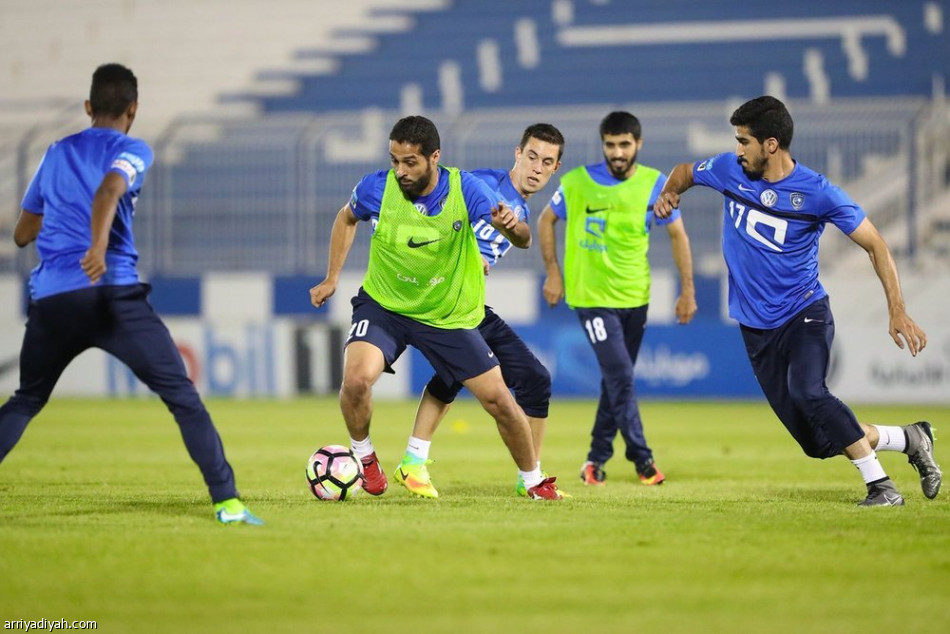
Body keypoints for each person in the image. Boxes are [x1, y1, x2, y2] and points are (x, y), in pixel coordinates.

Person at [0, 64, 262, 525]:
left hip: (53, 299)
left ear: (88, 107)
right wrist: (98, 245)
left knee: (25, 400)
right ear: (133, 109)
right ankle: (228, 503)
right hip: (112, 295)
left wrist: (62, 210)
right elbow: (109, 189)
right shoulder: (132, 148)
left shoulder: (56, 152)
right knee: (182, 396)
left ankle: (228, 501)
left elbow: (22, 233)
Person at [654, 95, 941, 506]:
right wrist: (670, 192)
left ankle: (882, 487)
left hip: (804, 313)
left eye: (744, 142)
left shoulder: (818, 193)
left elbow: (876, 245)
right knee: (818, 442)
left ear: (771, 144)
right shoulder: (727, 170)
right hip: (756, 328)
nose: (738, 151)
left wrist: (897, 309)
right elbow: (684, 172)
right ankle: (910, 437)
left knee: (808, 391)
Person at [309, 115, 562, 501]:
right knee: (357, 381)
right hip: (385, 306)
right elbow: (346, 218)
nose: (400, 171)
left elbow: (523, 238)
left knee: (500, 400)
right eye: (395, 160)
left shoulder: (467, 189)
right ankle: (365, 458)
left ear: (433, 158)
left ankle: (532, 481)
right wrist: (331, 278)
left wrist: (511, 226)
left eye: (409, 162)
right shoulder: (377, 187)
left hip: (446, 312)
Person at [391, 123, 565, 499]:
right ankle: (414, 461)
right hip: (441, 301)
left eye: (546, 162)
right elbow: (438, 209)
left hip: (467, 304)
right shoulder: (481, 183)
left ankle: (529, 476)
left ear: (555, 169)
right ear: (517, 154)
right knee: (460, 376)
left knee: (534, 380)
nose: (536, 167)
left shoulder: (519, 208)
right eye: (531, 156)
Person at [538, 111, 697, 488]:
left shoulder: (656, 184)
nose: (617, 152)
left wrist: (687, 290)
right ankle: (643, 460)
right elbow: (546, 220)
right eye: (610, 144)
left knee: (616, 382)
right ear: (603, 144)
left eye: (624, 144)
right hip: (591, 297)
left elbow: (678, 236)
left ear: (638, 144)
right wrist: (554, 273)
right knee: (622, 375)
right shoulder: (575, 183)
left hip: (635, 297)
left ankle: (594, 460)